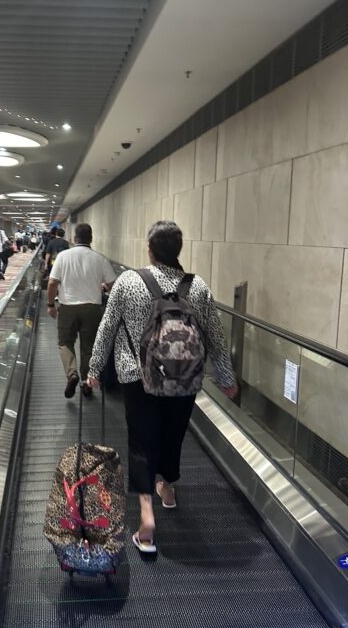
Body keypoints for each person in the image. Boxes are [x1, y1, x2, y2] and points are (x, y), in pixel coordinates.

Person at [87, 220, 238, 555]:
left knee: (141, 442)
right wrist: (226, 378)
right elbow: (215, 335)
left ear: (150, 250)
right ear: (178, 251)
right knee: (173, 434)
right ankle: (167, 487)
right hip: (184, 378)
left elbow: (107, 327)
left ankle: (146, 521)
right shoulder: (197, 287)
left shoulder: (128, 281)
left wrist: (94, 369)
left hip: (137, 376)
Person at [47, 223, 116, 398]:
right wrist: (102, 286)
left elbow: (52, 282)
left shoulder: (63, 256)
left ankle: (72, 374)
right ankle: (87, 382)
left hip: (67, 307)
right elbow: (112, 286)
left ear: (74, 238)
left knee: (65, 342)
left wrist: (50, 305)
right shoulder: (100, 258)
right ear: (91, 238)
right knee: (89, 347)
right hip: (92, 308)